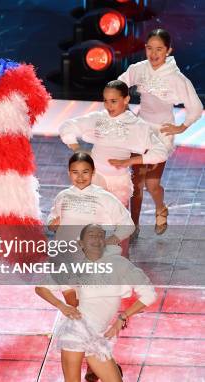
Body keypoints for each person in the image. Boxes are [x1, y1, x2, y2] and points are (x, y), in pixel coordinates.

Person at [36, 224, 156, 382]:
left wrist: (122, 319)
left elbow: (149, 294)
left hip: (98, 336)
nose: (97, 238)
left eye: (100, 235)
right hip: (77, 331)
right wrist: (63, 307)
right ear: (81, 243)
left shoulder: (119, 264)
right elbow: (41, 288)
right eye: (91, 235)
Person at [118, 28, 203, 234]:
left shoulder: (176, 78)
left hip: (162, 133)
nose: (154, 54)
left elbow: (196, 107)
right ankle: (134, 226)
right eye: (150, 48)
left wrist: (180, 127)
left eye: (159, 49)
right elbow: (119, 85)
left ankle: (160, 207)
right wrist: (124, 108)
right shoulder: (139, 69)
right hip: (140, 130)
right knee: (136, 183)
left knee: (152, 183)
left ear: (168, 50)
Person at [58, 80, 168, 207]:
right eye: (105, 101)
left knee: (117, 222)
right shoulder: (99, 118)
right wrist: (77, 148)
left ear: (126, 99)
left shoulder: (137, 125)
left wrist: (129, 161)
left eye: (113, 101)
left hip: (119, 183)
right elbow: (66, 126)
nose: (109, 106)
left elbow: (161, 152)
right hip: (94, 179)